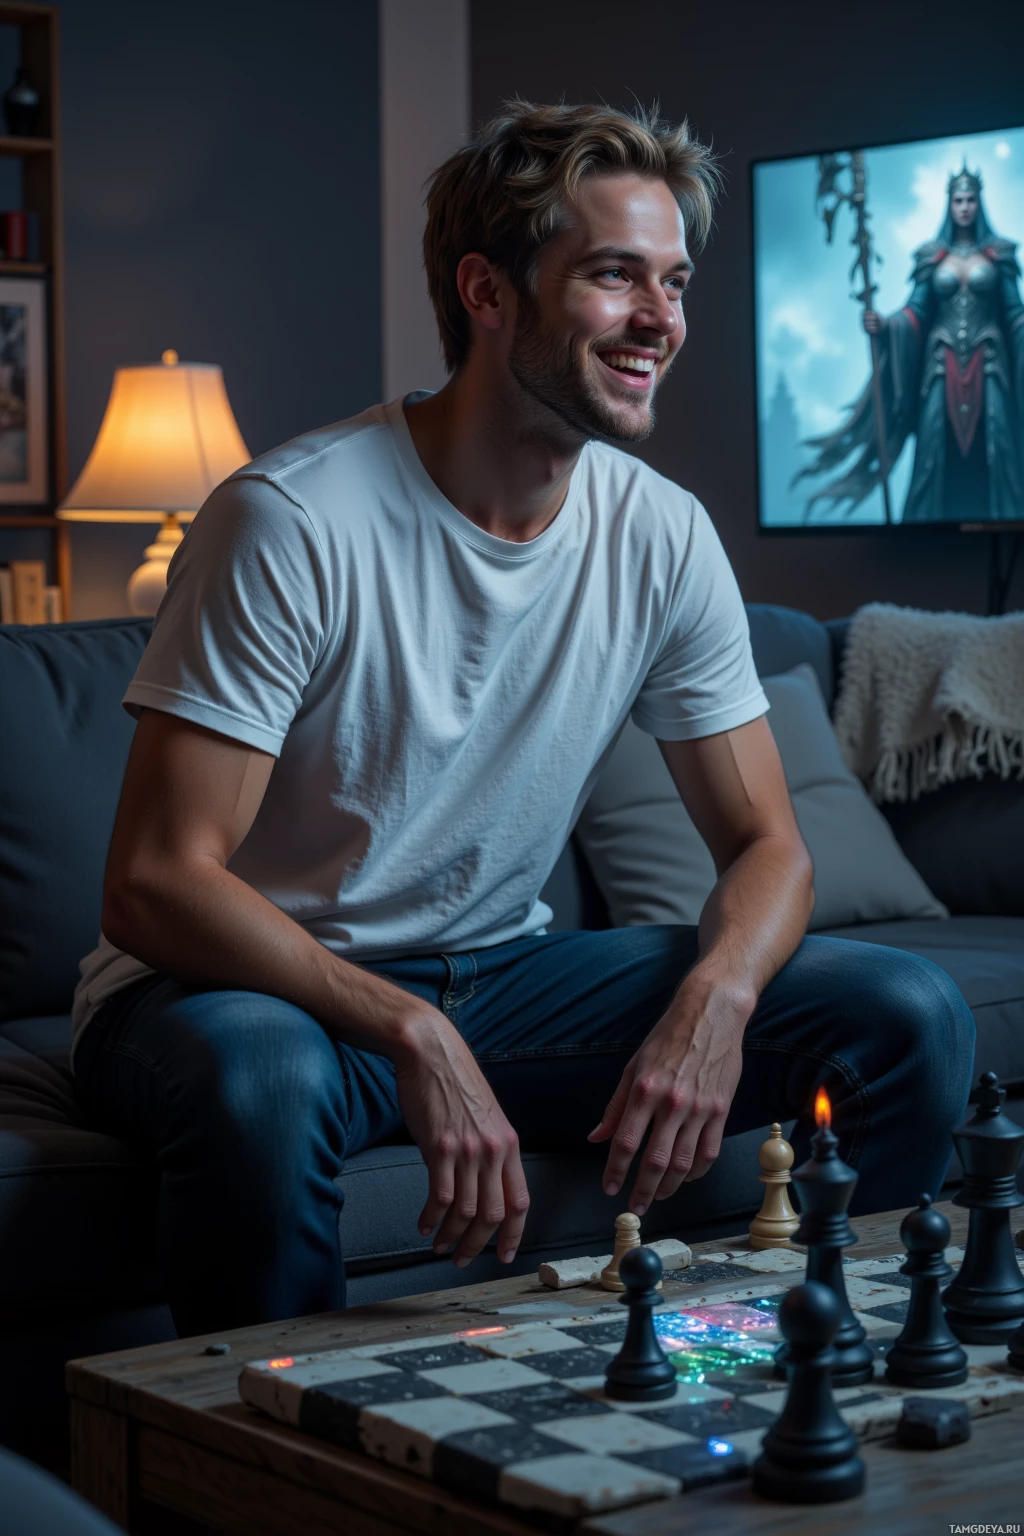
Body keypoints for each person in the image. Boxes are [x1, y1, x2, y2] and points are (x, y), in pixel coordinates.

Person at [71, 101, 975, 1338]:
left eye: (673, 281)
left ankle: (812, 1384)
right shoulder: (293, 519)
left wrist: (714, 999)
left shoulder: (659, 532)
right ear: (486, 291)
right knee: (266, 1083)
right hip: (240, 995)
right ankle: (277, 1462)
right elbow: (155, 885)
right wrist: (409, 1028)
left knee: (905, 1014)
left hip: (499, 976)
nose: (662, 320)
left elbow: (769, 847)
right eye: (614, 276)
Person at [797, 163, 1024, 523]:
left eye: (970, 200)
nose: (964, 206)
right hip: (940, 368)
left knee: (999, 449)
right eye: (958, 200)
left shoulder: (1000, 255)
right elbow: (917, 311)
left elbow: (1014, 313)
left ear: (979, 204)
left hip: (989, 365)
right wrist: (887, 325)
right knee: (934, 451)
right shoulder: (931, 257)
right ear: (950, 205)